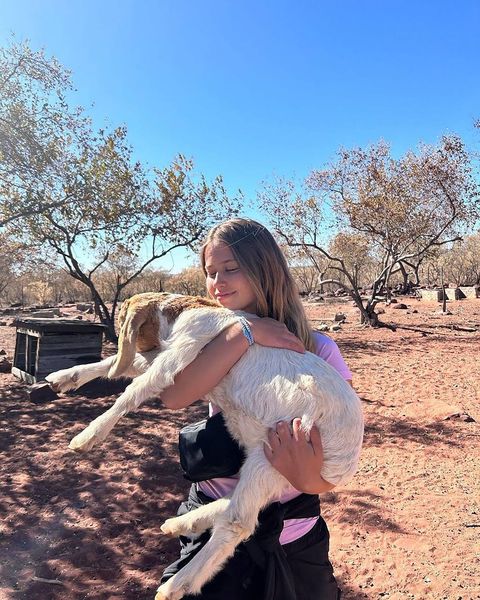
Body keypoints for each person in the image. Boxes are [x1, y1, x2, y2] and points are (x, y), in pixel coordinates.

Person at [159, 218, 352, 600]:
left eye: (232, 268)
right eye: (210, 272)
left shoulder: (317, 349)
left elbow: (333, 460)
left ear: (265, 269)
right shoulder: (218, 342)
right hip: (212, 511)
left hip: (291, 532)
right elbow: (173, 396)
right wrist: (244, 334)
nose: (218, 282)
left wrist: (307, 475)